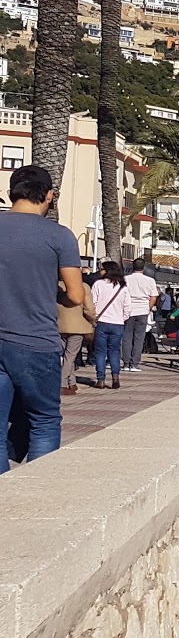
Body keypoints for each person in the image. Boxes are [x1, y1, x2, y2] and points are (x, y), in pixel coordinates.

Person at [0, 167, 86, 472]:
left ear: (12, 192)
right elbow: (76, 295)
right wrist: (52, 295)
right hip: (35, 341)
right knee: (44, 421)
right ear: (49, 195)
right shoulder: (59, 236)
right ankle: (34, 494)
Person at [90, 260, 132, 390]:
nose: (100, 271)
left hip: (102, 322)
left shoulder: (98, 284)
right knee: (114, 351)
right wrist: (122, 318)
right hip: (117, 323)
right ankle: (115, 377)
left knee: (100, 352)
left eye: (102, 269)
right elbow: (128, 307)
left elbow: (93, 303)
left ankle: (101, 379)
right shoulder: (122, 287)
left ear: (107, 270)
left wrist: (94, 318)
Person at [58, 271, 96, 396]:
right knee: (70, 356)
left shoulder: (57, 286)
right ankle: (62, 383)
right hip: (78, 326)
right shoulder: (83, 287)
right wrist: (93, 320)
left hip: (60, 325)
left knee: (67, 356)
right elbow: (89, 309)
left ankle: (72, 382)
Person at [121, 257, 159, 372]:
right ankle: (135, 363)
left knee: (127, 337)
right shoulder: (150, 281)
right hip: (142, 310)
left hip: (128, 310)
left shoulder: (126, 279)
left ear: (132, 266)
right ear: (144, 267)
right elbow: (153, 297)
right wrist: (148, 308)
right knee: (139, 338)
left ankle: (126, 363)